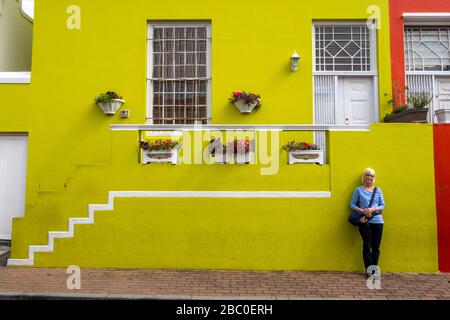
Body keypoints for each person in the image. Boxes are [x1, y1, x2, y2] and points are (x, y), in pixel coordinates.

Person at [350, 168, 385, 277]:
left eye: (372, 176)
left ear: (374, 178)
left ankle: (373, 270)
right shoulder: (358, 190)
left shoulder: (378, 190)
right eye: (367, 175)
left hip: (378, 221)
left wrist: (372, 209)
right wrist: (362, 210)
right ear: (363, 177)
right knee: (367, 245)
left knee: (376, 246)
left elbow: (382, 205)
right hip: (364, 221)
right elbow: (352, 204)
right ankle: (369, 270)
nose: (369, 177)